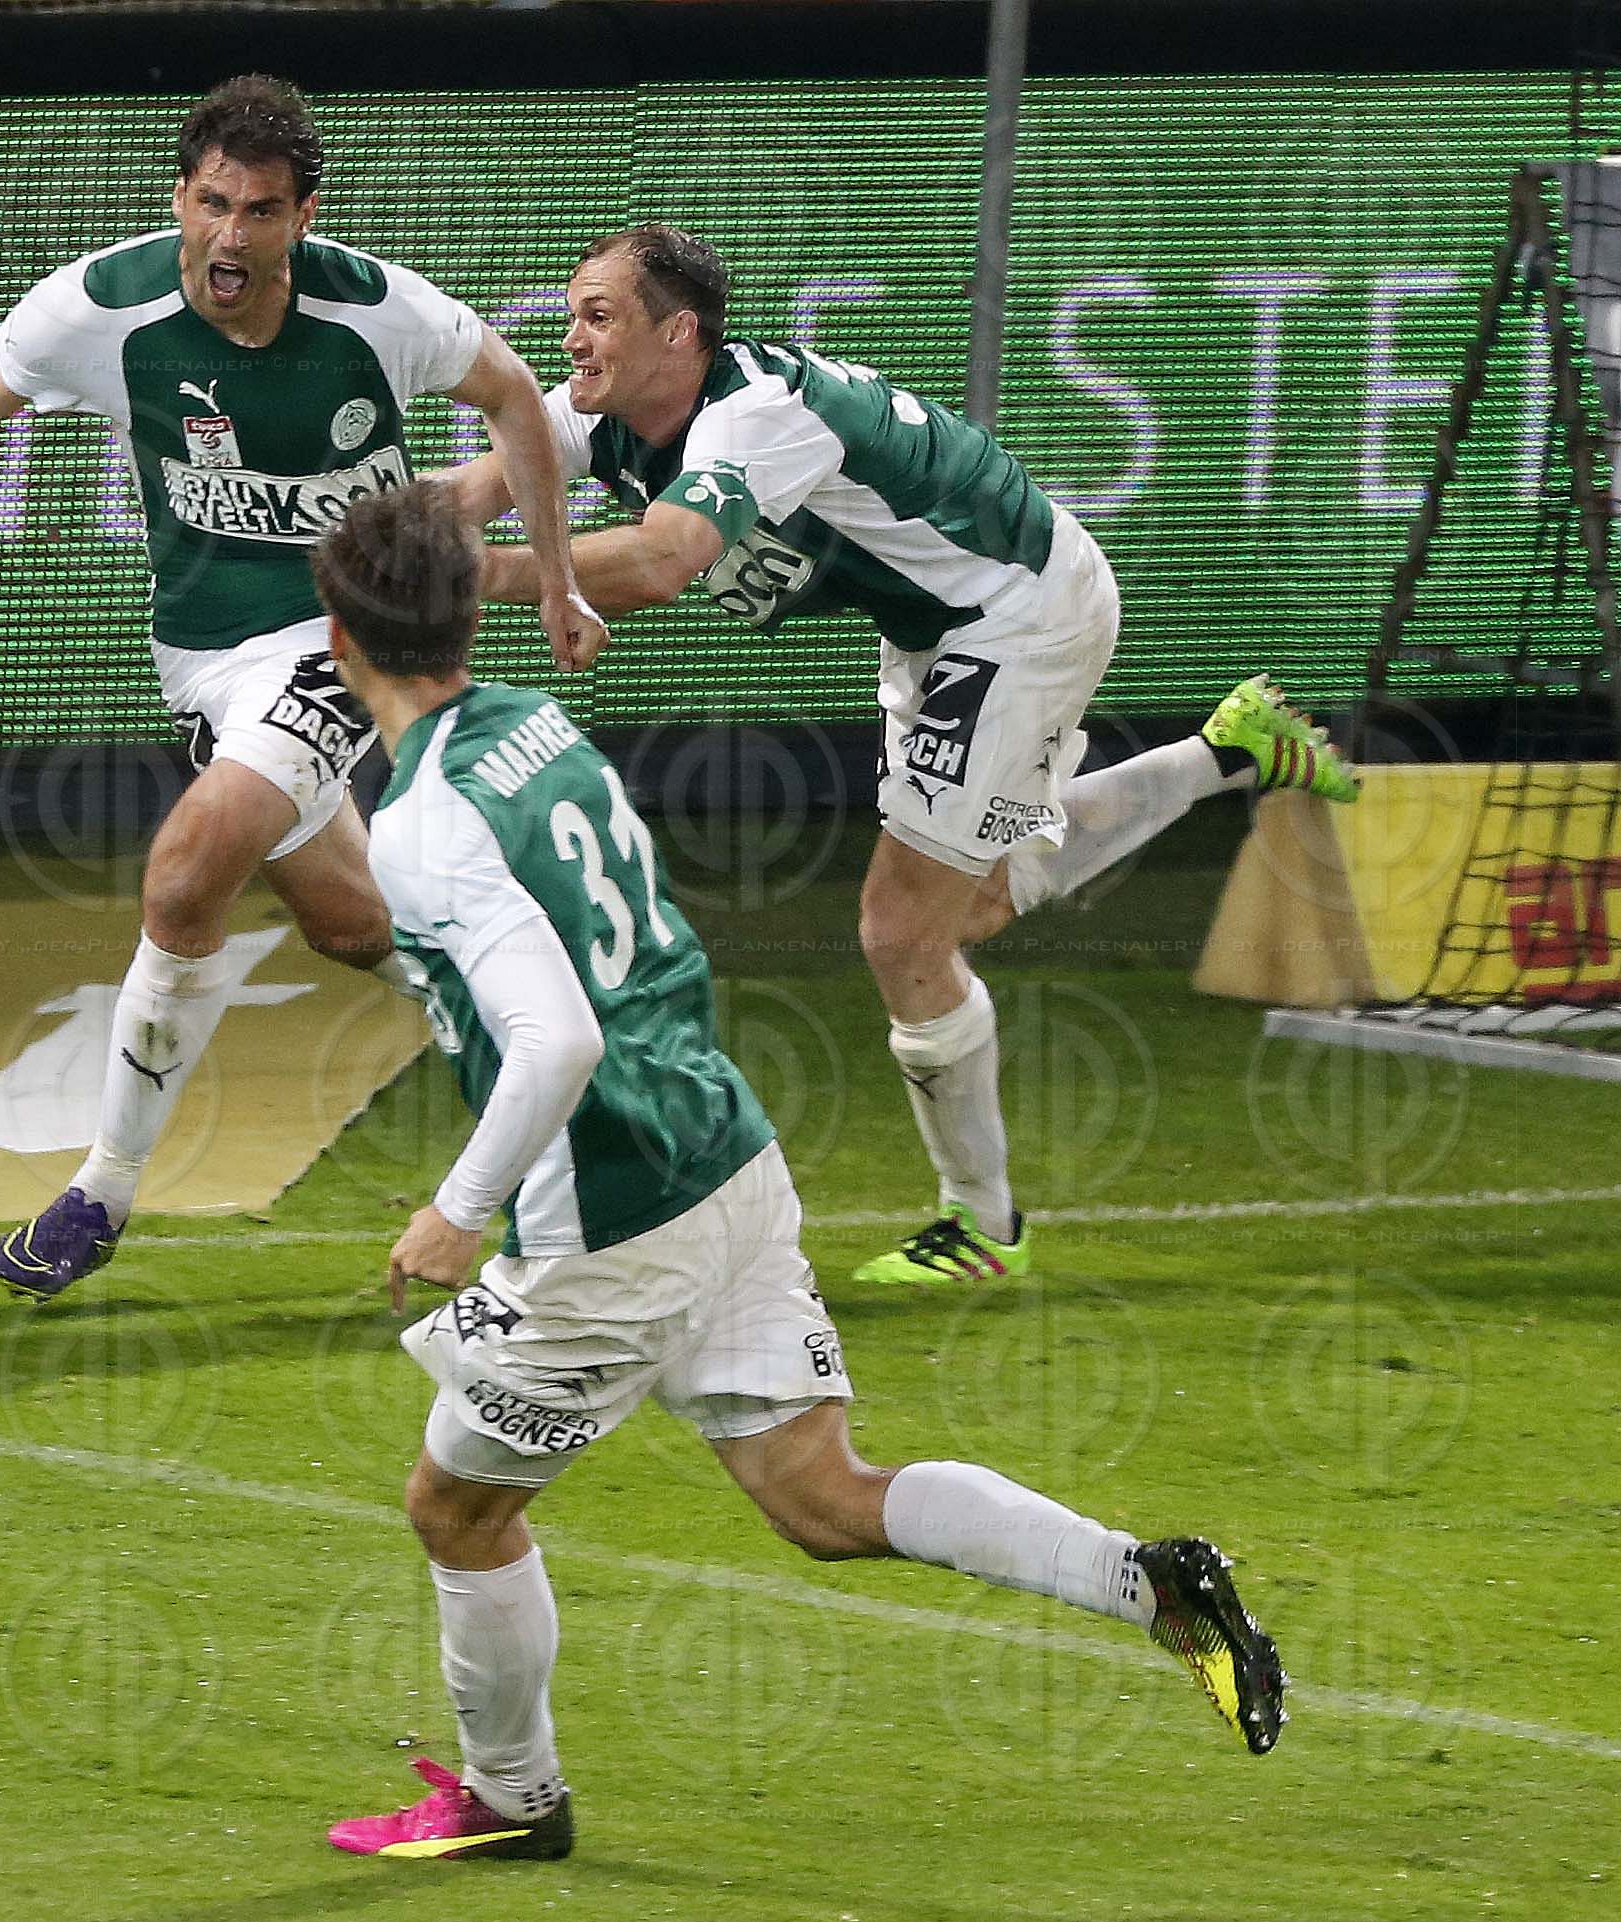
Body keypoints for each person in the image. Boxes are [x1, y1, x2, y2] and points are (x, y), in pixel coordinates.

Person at [309, 480, 1284, 1863]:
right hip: (727, 1156)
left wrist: (456, 1209)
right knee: (824, 1497)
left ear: (340, 639)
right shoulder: (536, 728)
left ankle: (512, 1798)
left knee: (454, 1510)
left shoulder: (421, 820)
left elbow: (557, 1036)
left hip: (611, 1223)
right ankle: (1146, 1580)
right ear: (472, 615)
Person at [0, 76, 605, 1300]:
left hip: (343, 630)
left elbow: (512, 401)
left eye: (260, 211)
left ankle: (100, 1188)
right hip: (200, 657)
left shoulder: (377, 309)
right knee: (352, 928)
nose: (230, 234)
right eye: (212, 203)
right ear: (179, 195)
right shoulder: (96, 306)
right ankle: (566, 1046)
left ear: (302, 216)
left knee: (187, 873)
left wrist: (553, 580)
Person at [447, 226, 1357, 1289]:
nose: (572, 339)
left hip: (1016, 611)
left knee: (903, 929)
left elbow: (659, 561)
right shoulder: (606, 408)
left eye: (598, 316)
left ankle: (985, 1224)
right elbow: (465, 493)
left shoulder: (753, 415)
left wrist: (473, 578)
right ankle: (1227, 751)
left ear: (678, 333)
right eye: (571, 315)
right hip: (938, 626)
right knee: (966, 900)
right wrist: (346, 541)